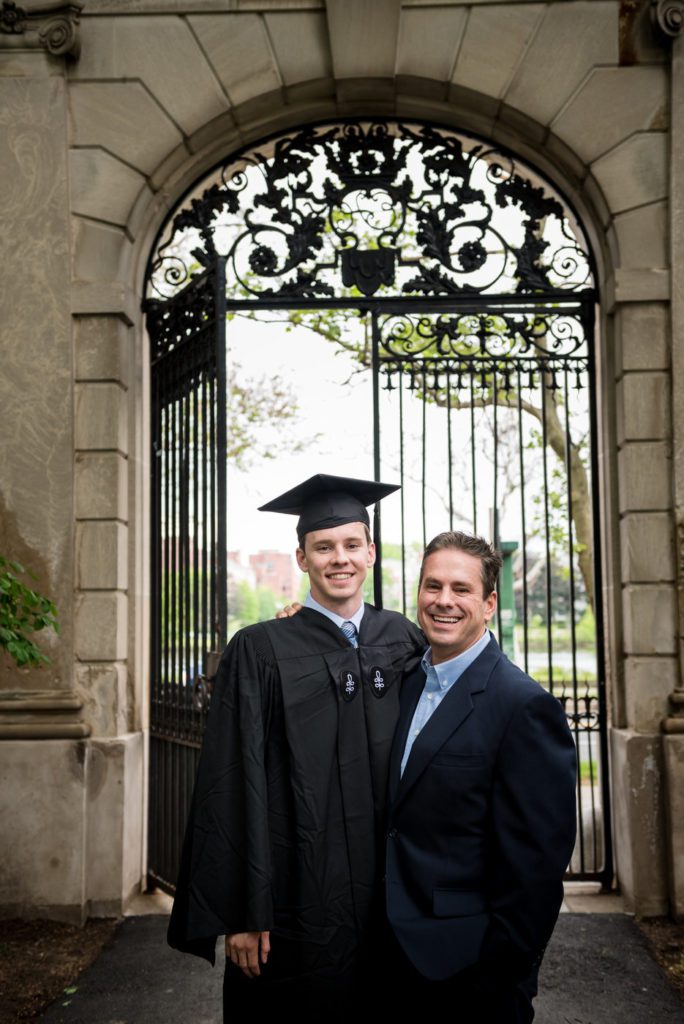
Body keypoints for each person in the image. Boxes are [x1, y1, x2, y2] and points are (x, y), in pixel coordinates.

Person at [167, 474, 424, 1021]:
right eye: (324, 547)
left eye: (352, 545)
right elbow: (230, 779)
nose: (340, 559)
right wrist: (241, 909)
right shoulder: (261, 650)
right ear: (302, 558)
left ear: (371, 552)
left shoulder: (401, 639)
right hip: (296, 896)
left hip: (389, 894)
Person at [384, 530, 577, 1023]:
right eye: (432, 586)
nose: (443, 601)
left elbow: (536, 870)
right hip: (386, 961)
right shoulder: (403, 683)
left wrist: (500, 975)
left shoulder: (523, 706)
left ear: (489, 603)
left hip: (470, 973)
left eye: (461, 589)